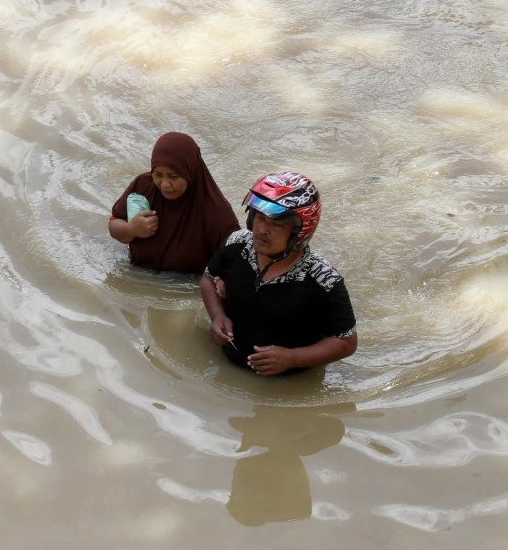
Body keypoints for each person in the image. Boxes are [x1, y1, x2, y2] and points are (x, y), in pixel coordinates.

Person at [200, 171, 357, 375]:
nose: (262, 229)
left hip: (291, 386)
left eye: (276, 224)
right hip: (227, 369)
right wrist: (218, 316)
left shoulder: (323, 279)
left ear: (299, 232)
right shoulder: (237, 243)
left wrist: (292, 358)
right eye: (259, 218)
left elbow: (346, 342)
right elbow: (208, 278)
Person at [109, 132, 239, 273]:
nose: (165, 184)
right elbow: (113, 224)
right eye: (158, 174)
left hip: (185, 286)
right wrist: (131, 229)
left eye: (173, 176)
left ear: (191, 174)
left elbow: (235, 261)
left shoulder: (216, 213)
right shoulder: (143, 188)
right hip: (137, 274)